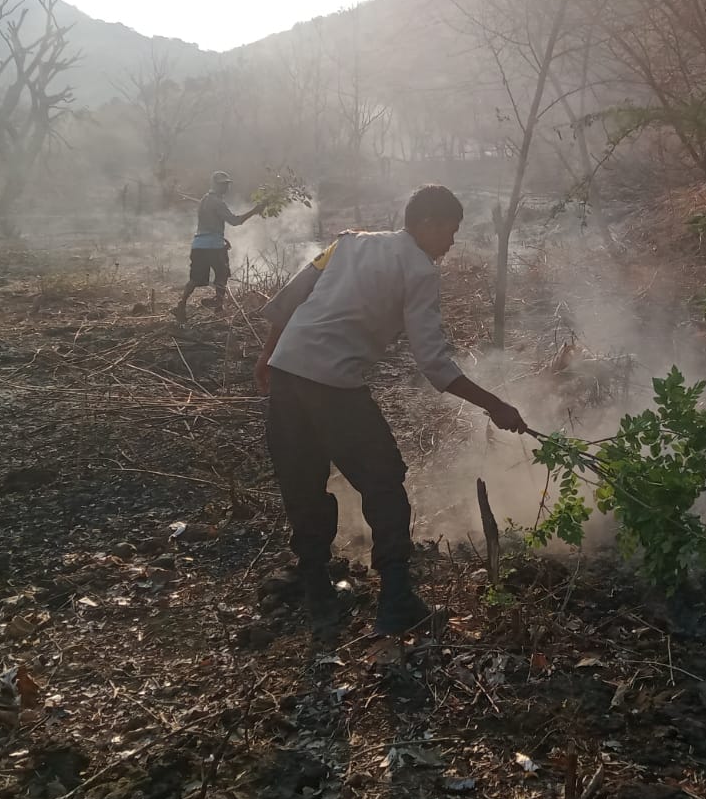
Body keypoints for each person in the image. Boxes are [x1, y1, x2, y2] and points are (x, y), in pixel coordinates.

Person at [255, 184, 528, 636]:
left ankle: (319, 596)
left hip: (287, 376)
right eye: (450, 230)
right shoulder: (419, 270)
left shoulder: (348, 242)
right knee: (384, 484)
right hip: (334, 387)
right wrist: (495, 405)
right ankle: (396, 599)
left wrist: (268, 356)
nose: (452, 242)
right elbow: (434, 364)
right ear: (427, 223)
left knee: (303, 483)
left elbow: (293, 297)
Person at [173, 171, 258, 322]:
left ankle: (181, 305)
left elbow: (209, 225)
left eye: (226, 184)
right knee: (222, 275)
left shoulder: (205, 200)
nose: (225, 187)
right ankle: (218, 306)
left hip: (199, 245)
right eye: (222, 184)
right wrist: (255, 211)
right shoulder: (218, 202)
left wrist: (222, 238)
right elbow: (235, 221)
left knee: (195, 279)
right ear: (214, 184)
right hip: (214, 247)